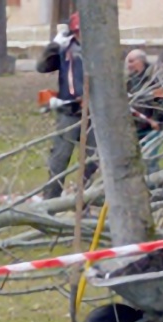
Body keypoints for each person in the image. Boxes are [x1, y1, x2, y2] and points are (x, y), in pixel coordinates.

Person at [36, 12, 98, 200]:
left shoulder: (99, 50)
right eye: (77, 32)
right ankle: (51, 200)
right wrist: (53, 47)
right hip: (69, 111)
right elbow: (42, 67)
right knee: (59, 158)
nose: (80, 36)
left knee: (93, 159)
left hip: (94, 112)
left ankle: (88, 200)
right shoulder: (64, 49)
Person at [125, 49, 163, 175]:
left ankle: (155, 189)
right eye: (128, 62)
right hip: (134, 129)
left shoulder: (154, 81)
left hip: (152, 128)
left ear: (141, 61)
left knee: (149, 160)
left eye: (132, 61)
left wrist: (156, 121)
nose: (129, 65)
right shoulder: (129, 82)